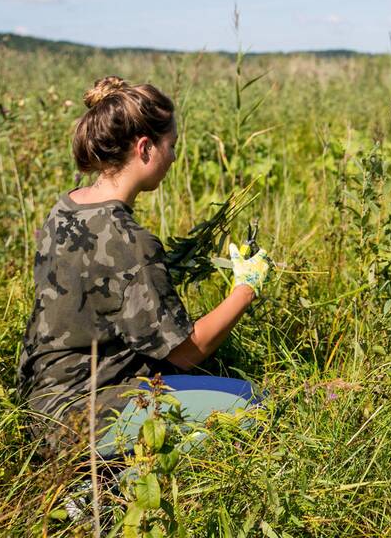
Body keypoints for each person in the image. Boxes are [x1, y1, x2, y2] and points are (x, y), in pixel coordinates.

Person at [16, 75, 270, 460]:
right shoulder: (130, 240)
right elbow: (185, 352)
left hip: (41, 401)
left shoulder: (65, 207)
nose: (173, 157)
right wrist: (245, 289)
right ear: (145, 148)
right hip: (86, 416)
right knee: (255, 407)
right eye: (171, 146)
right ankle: (109, 484)